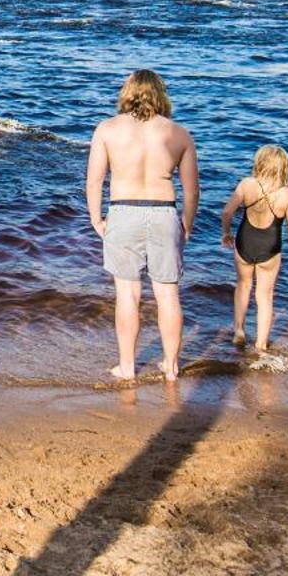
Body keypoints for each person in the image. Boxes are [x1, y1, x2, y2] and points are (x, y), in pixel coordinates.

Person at [84, 69, 197, 383]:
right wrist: (186, 223)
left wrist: (96, 218)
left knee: (128, 295)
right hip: (164, 212)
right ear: (160, 94)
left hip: (123, 211)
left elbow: (94, 181)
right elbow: (192, 190)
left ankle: (127, 367)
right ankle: (171, 368)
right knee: (168, 296)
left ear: (127, 92)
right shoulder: (179, 133)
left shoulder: (107, 129)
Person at [218, 145, 288, 353]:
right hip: (270, 247)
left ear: (259, 163)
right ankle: (261, 344)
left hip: (244, 242)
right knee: (265, 296)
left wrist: (226, 233)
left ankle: (239, 331)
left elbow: (226, 212)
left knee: (243, 286)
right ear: (285, 167)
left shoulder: (247, 184)